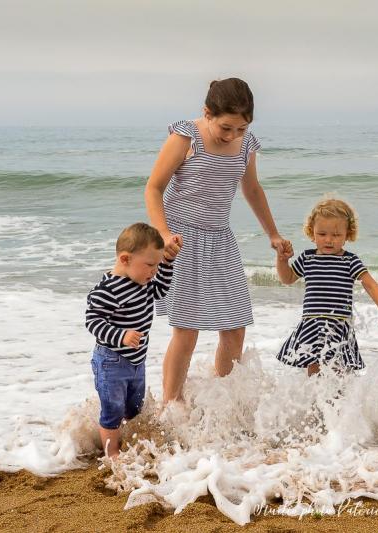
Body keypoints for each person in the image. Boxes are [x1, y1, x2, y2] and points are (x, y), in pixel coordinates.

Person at [144, 78, 290, 402]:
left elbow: (252, 189)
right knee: (187, 330)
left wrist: (273, 233)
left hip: (221, 240)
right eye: (226, 128)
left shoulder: (246, 144)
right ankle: (173, 405)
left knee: (235, 327)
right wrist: (164, 234)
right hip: (181, 240)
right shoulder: (186, 136)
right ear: (206, 113)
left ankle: (224, 400)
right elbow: (153, 188)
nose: (232, 136)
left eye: (240, 129)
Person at [85, 223, 179, 456]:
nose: (153, 271)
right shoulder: (107, 290)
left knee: (135, 408)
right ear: (125, 259)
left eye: (156, 265)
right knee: (113, 410)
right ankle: (112, 454)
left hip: (137, 361)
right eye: (150, 265)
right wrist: (121, 335)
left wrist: (167, 262)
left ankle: (131, 443)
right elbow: (93, 321)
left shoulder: (144, 283)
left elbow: (161, 290)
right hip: (112, 361)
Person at [275, 198, 378, 375]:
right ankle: (315, 403)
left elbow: (370, 285)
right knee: (314, 371)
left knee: (339, 373)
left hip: (338, 327)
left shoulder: (349, 261)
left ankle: (340, 402)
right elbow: (287, 278)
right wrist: (282, 260)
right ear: (312, 232)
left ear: (348, 234)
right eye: (322, 234)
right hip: (312, 325)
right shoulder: (307, 258)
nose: (329, 240)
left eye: (336, 235)